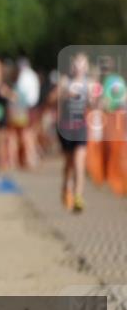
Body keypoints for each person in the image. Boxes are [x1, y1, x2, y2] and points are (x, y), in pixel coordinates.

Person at [51, 53, 93, 213]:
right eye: (76, 64)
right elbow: (52, 99)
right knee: (69, 164)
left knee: (79, 162)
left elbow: (96, 104)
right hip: (65, 127)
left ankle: (78, 197)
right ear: (72, 66)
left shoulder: (89, 84)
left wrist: (97, 100)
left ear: (86, 67)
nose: (79, 67)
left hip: (81, 127)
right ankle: (65, 187)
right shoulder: (64, 81)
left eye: (82, 64)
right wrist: (65, 95)